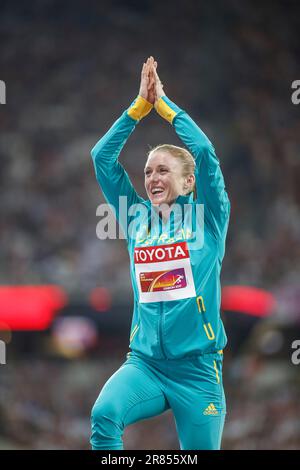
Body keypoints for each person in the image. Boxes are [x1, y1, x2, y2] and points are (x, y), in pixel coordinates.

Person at [90, 56, 230, 450]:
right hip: (146, 364)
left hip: (198, 371)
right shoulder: (135, 218)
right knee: (104, 415)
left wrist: (164, 105)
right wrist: (138, 107)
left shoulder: (210, 219)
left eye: (162, 170)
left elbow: (204, 152)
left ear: (188, 182)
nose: (151, 178)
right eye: (148, 171)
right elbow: (101, 158)